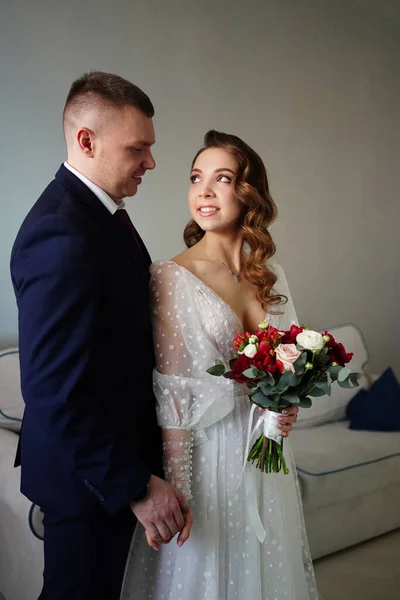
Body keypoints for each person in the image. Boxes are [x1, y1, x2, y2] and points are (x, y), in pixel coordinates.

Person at [9, 71, 193, 600]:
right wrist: (133, 485)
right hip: (87, 483)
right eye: (139, 148)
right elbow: (52, 392)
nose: (152, 163)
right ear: (86, 141)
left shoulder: (104, 214)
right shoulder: (60, 232)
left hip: (114, 464)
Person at [121, 130, 318, 600]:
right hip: (211, 462)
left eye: (222, 178)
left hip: (266, 463)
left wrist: (285, 408)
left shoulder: (269, 275)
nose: (203, 191)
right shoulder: (171, 277)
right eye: (195, 177)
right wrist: (179, 495)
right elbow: (174, 400)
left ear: (248, 193)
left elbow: (286, 368)